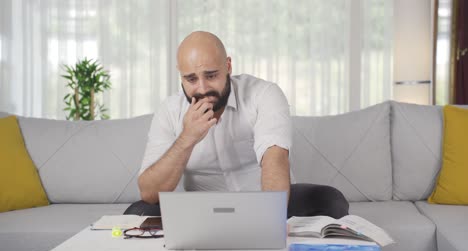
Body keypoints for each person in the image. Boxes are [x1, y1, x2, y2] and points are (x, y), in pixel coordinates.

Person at [124, 31, 349, 218]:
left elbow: (275, 160)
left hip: (264, 200)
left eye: (211, 75)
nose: (202, 89)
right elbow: (149, 192)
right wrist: (187, 138)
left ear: (228, 66)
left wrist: (269, 220)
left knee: (331, 200)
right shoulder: (169, 110)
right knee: (137, 212)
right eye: (191, 79)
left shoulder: (264, 94)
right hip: (200, 208)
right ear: (180, 76)